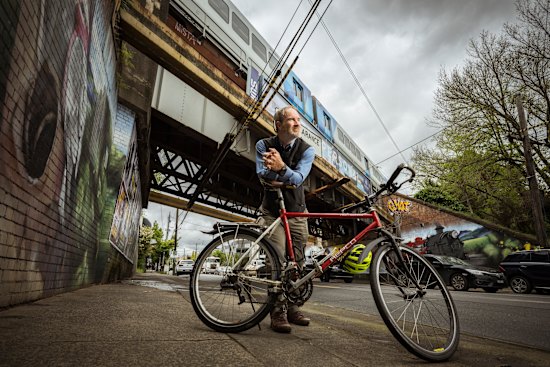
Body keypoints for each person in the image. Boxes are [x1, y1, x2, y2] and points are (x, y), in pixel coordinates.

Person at [255, 106, 315, 333]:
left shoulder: (307, 150)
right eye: (291, 119)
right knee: (276, 261)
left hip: (298, 211)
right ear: (278, 124)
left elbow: (299, 179)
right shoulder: (263, 144)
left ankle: (293, 307)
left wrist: (281, 168)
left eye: (299, 119)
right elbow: (262, 175)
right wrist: (286, 176)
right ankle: (277, 311)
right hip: (272, 211)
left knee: (298, 262)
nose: (298, 123)